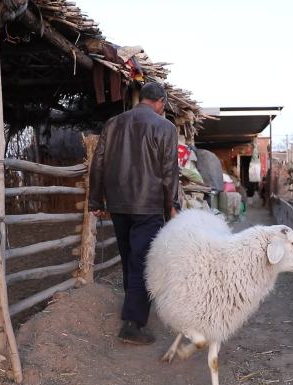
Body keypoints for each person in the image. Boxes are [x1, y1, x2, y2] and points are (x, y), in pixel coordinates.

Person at [88, 82, 180, 345]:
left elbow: (99, 163)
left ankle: (133, 313)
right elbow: (169, 171)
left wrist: (96, 199)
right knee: (142, 262)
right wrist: (172, 206)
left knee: (130, 257)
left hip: (118, 204)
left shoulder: (113, 123)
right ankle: (133, 324)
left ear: (141, 99)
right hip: (148, 206)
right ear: (161, 102)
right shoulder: (165, 127)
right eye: (164, 105)